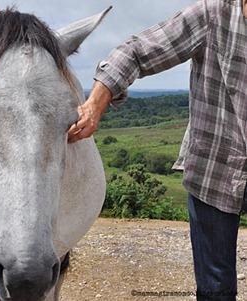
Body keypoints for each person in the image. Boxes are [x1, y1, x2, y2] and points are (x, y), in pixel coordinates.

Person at [68, 0, 247, 300]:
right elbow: (136, 52)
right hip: (214, 168)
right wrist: (94, 106)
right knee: (216, 288)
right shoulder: (213, 14)